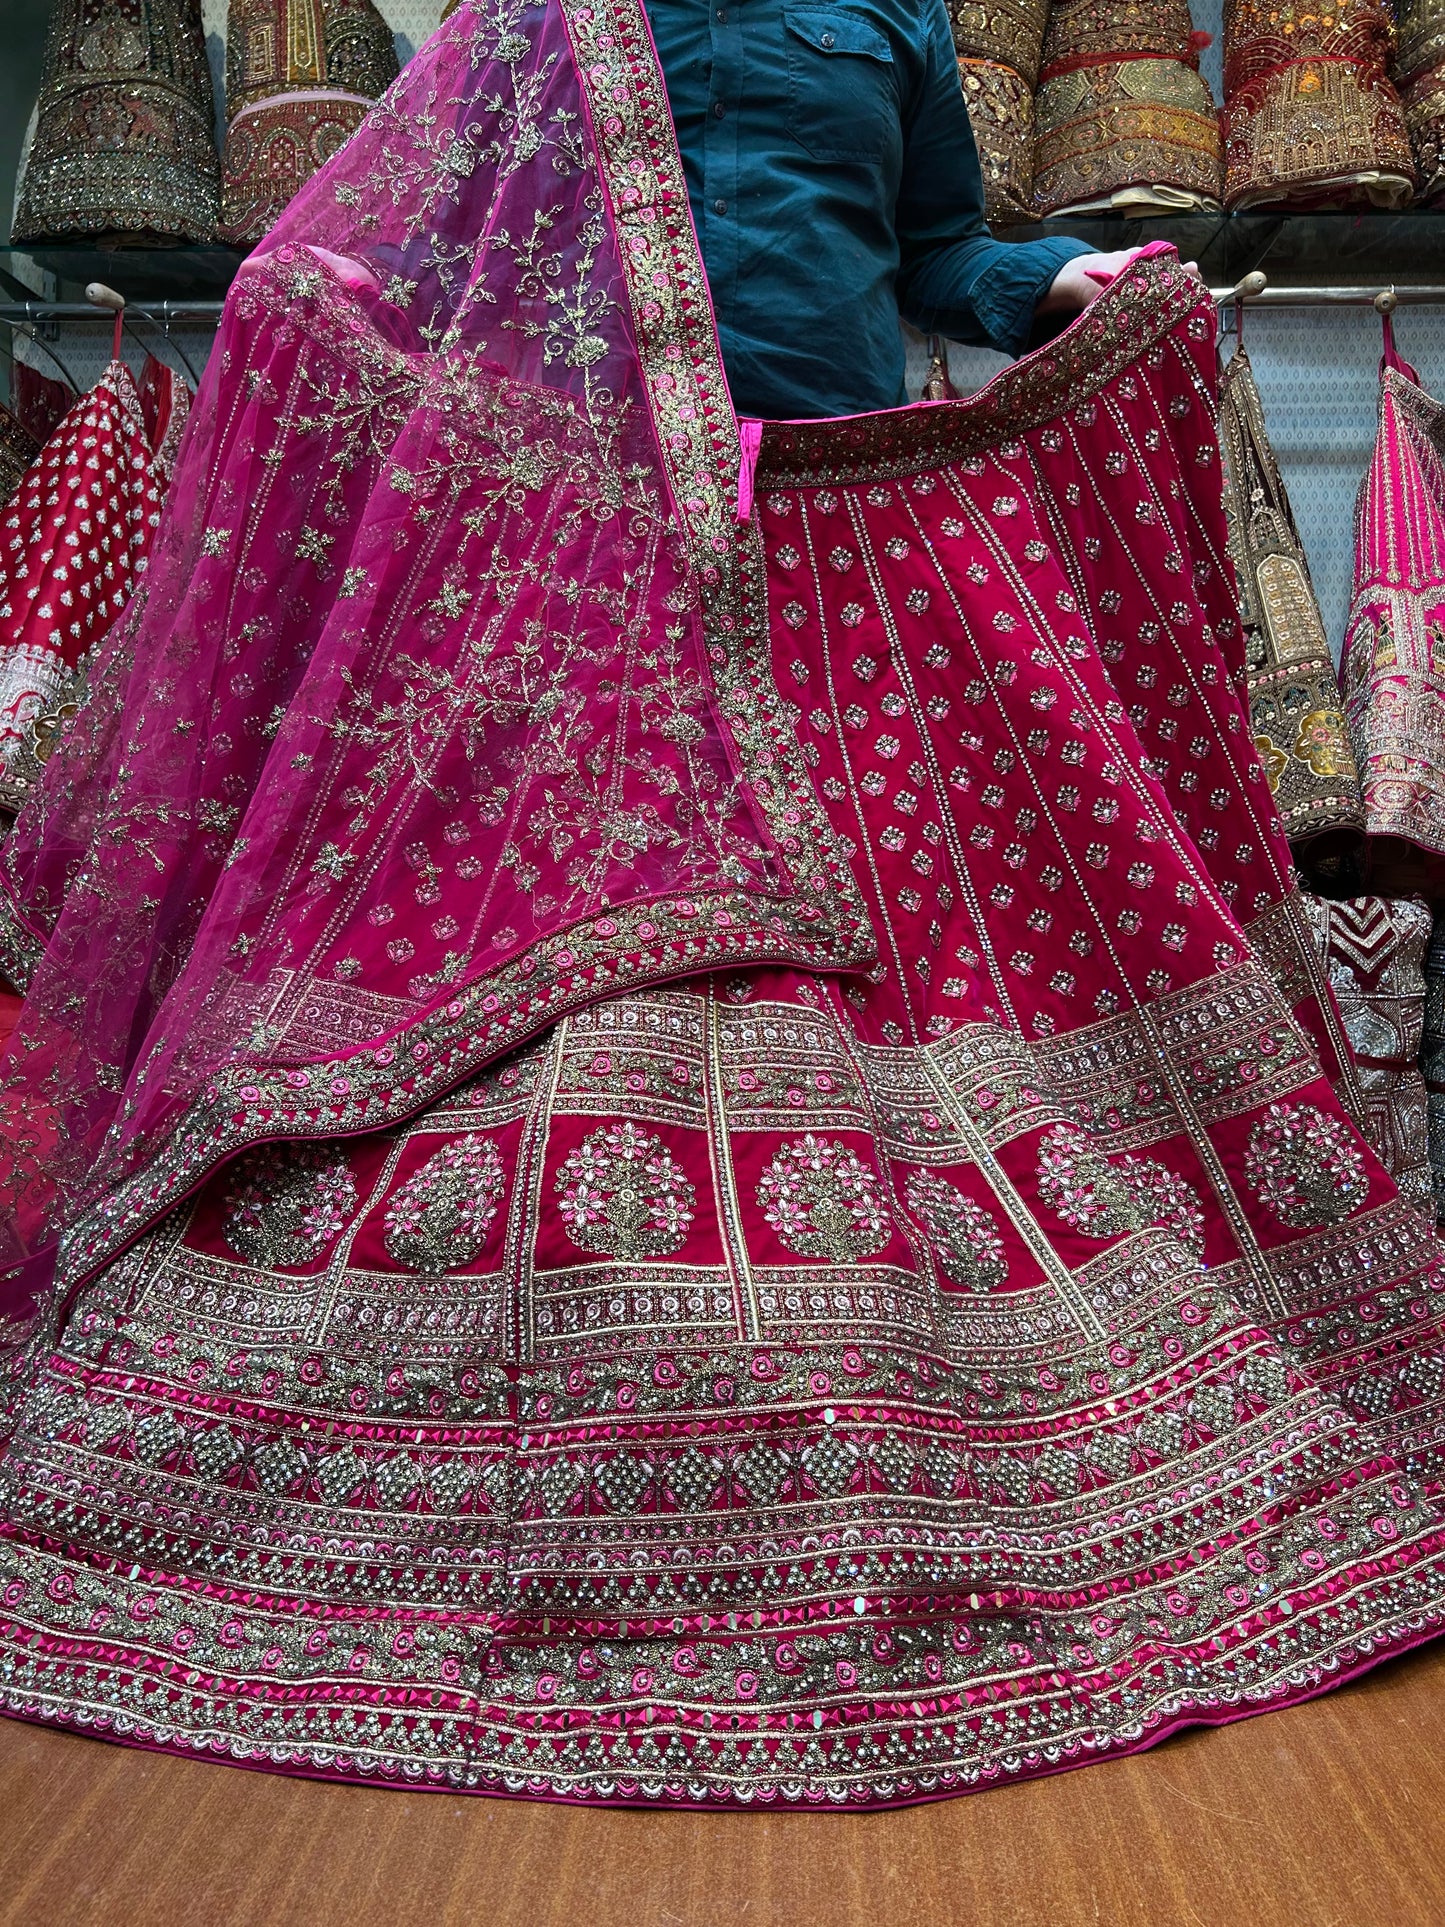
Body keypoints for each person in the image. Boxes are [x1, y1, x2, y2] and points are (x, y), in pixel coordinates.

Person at [0, 0, 1443, 1810]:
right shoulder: (551, 18)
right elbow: (415, 242)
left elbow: (934, 257)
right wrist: (328, 326)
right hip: (586, 560)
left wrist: (1061, 282)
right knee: (545, 1004)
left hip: (839, 551)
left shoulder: (888, 22)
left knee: (897, 988)